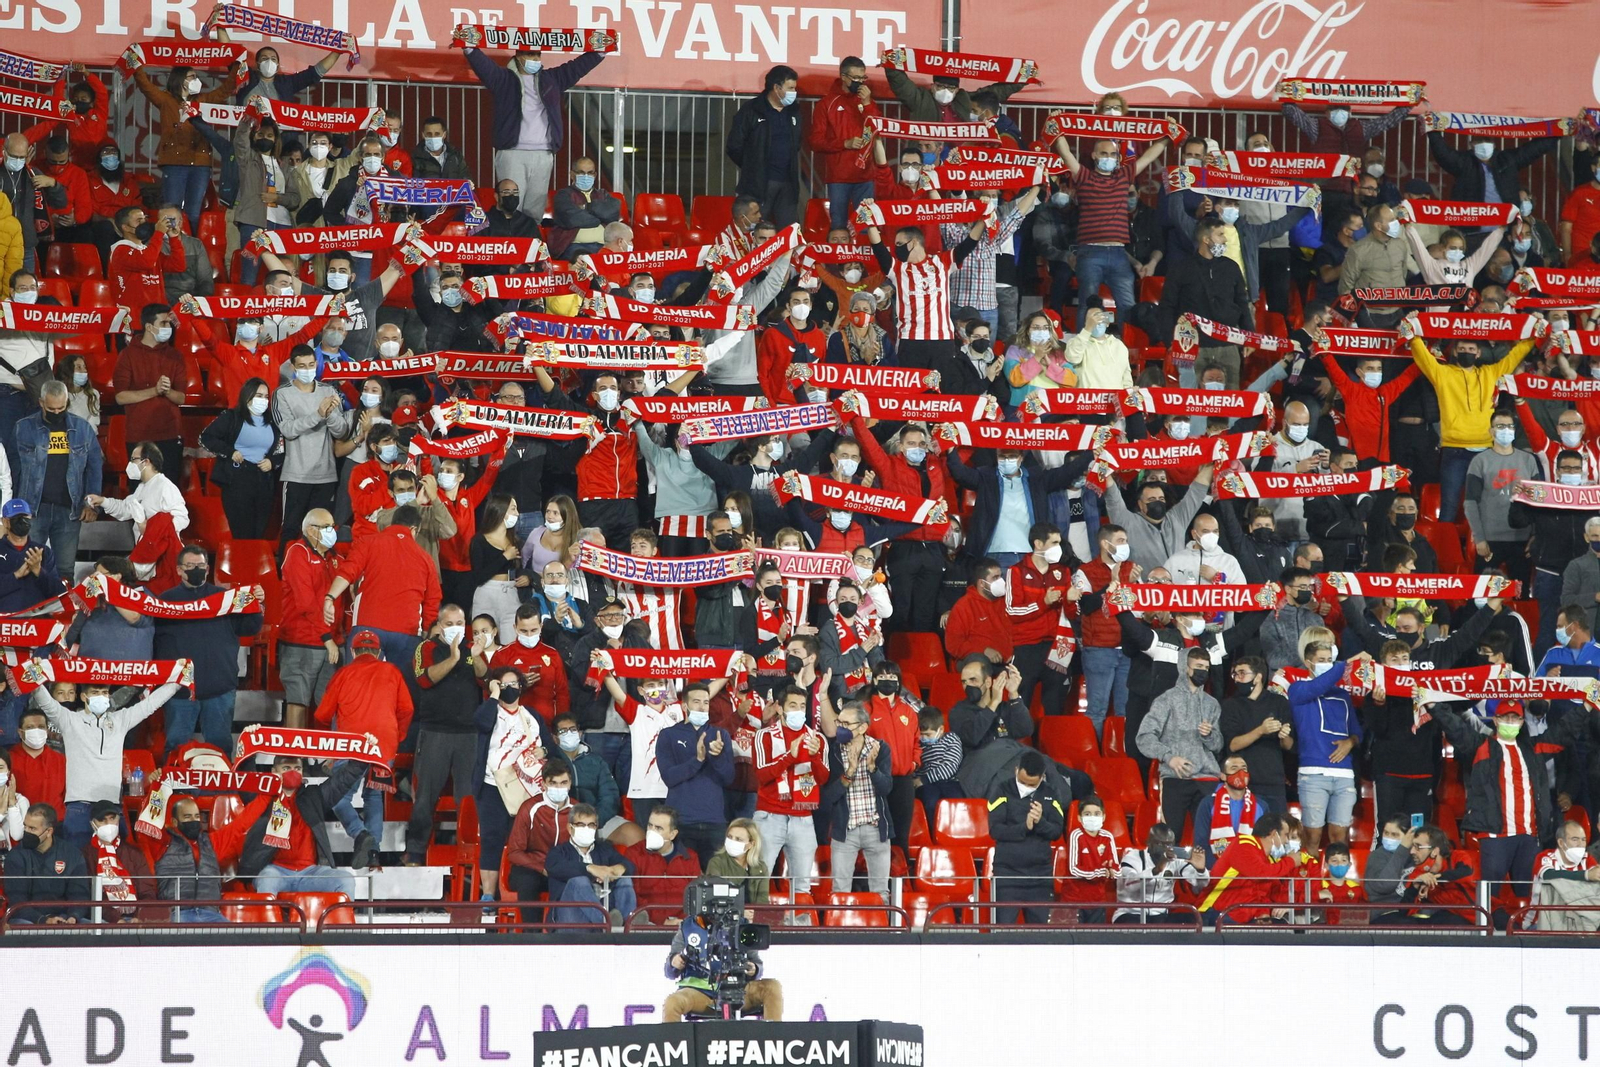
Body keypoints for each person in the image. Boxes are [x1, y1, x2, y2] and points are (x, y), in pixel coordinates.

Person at [1425, 697, 1588, 902]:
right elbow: (1456, 727)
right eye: (1506, 717)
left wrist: (1588, 706)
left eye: (1515, 718)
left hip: (1530, 835)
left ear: (1522, 722)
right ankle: (1486, 932)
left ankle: (1525, 931)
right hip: (1495, 835)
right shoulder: (1481, 746)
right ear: (1495, 719)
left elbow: (1563, 731)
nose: (1510, 722)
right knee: (1489, 895)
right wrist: (1432, 705)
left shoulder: (1533, 749)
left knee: (1529, 894)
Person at [458, 34, 606, 221]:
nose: (535, 59)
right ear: (518, 56)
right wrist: (468, 47)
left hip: (543, 155)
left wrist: (600, 51)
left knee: (535, 209)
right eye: (530, 55)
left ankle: (531, 246)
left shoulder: (552, 79)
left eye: (537, 55)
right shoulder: (503, 79)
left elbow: (576, 67)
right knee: (510, 205)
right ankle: (511, 246)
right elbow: (483, 66)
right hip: (512, 153)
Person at [33, 676, 180, 847]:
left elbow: (150, 705)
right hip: (80, 805)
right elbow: (46, 702)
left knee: (117, 864)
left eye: (104, 693)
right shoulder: (69, 720)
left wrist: (177, 683)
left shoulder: (120, 720)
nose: (101, 697)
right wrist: (33, 675)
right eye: (95, 693)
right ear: (83, 697)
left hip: (112, 807)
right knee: (79, 865)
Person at [154, 545, 264, 757]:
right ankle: (174, 790)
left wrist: (258, 604)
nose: (196, 569)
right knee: (175, 748)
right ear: (178, 570)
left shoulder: (225, 598)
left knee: (220, 748)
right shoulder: (165, 602)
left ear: (207, 568)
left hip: (219, 688)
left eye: (200, 565)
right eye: (190, 565)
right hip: (179, 691)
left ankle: (221, 791)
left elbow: (249, 627)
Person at [316, 629, 411, 868]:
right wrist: (396, 737)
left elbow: (322, 714)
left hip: (351, 745)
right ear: (379, 651)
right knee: (373, 796)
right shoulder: (392, 671)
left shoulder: (344, 673)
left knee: (338, 797)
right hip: (383, 745)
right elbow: (407, 710)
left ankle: (360, 834)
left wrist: (328, 744)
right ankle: (373, 853)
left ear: (352, 651)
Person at [323, 505, 441, 667]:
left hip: (368, 627)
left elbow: (348, 571)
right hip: (407, 633)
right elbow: (432, 601)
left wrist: (330, 597)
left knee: (361, 685)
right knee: (399, 688)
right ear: (414, 529)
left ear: (393, 523)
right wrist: (427, 632)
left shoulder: (368, 542)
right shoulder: (426, 559)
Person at [228, 756, 361, 898]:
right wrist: (249, 747)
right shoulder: (262, 797)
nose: (293, 772)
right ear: (274, 772)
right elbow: (246, 777)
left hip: (310, 873)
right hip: (275, 871)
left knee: (345, 880)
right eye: (286, 768)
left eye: (297, 768)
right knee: (267, 880)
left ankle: (339, 921)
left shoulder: (314, 796)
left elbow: (342, 782)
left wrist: (363, 757)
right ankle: (268, 921)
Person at [1287, 636, 1367, 857]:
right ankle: (1308, 887)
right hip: (1313, 774)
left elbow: (1357, 731)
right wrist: (1345, 664)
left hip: (1343, 774)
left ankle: (1335, 886)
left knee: (1339, 838)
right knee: (1311, 838)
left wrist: (1350, 742)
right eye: (1321, 659)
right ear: (1308, 662)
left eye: (1330, 660)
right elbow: (1322, 684)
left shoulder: (1342, 695)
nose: (1327, 663)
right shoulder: (1298, 690)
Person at [663, 879, 785, 1021]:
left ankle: (772, 1039)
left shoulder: (741, 925)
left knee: (772, 987)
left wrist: (754, 969)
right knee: (672, 1002)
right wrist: (674, 962)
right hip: (701, 992)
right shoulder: (687, 927)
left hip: (738, 989)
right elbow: (669, 972)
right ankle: (677, 1042)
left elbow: (756, 964)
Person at [274, 346, 354, 551]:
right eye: (302, 366)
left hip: (325, 475)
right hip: (296, 476)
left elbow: (341, 432)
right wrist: (318, 414)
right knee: (291, 529)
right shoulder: (282, 394)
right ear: (293, 367)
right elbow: (288, 429)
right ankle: (286, 578)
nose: (307, 369)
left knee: (320, 532)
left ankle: (317, 577)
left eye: (311, 365)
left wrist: (329, 415)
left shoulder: (328, 391)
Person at [1137, 646, 1225, 834]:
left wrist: (1209, 736)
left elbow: (1218, 745)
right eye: (1198, 666)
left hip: (1207, 778)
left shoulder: (1212, 704)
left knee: (1212, 838)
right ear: (1184, 667)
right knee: (1170, 837)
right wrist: (1169, 757)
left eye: (1206, 668)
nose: (1203, 671)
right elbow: (1144, 737)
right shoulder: (1166, 700)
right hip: (1175, 777)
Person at [753, 685, 828, 895]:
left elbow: (823, 779)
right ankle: (757, 926)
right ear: (779, 708)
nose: (798, 711)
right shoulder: (764, 736)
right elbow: (761, 775)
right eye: (792, 705)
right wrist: (790, 756)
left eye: (802, 706)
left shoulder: (817, 739)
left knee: (802, 886)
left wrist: (814, 757)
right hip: (769, 816)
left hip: (803, 819)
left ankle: (798, 927)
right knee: (759, 881)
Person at [655, 682, 734, 867]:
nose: (702, 707)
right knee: (680, 880)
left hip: (714, 822)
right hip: (681, 822)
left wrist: (716, 757)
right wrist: (697, 760)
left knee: (715, 883)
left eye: (706, 702)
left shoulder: (720, 735)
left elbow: (729, 778)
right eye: (696, 702)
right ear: (684, 706)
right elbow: (669, 777)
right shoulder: (668, 735)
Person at [823, 700, 893, 897]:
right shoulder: (833, 751)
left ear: (862, 728)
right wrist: (849, 773)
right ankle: (841, 927)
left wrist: (873, 768)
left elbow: (886, 788)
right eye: (839, 723)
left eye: (846, 724)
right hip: (846, 830)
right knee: (840, 891)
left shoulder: (880, 749)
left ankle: (881, 927)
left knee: (881, 893)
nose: (841, 728)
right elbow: (828, 797)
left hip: (876, 828)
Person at [988, 749, 1065, 924]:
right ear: (1016, 770)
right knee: (1003, 934)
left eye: (1032, 785)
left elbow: (1056, 831)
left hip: (1040, 876)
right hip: (1007, 876)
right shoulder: (1001, 790)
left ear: (1042, 777)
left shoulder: (1052, 793)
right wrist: (1025, 826)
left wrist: (1040, 822)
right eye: (1022, 782)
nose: (1026, 787)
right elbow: (995, 830)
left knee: (1040, 937)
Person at [199, 379, 282, 539]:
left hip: (264, 480)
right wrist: (230, 452)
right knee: (243, 531)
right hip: (238, 479)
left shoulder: (273, 422)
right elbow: (206, 437)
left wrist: (273, 462)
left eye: (266, 396)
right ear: (247, 396)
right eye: (259, 395)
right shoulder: (232, 417)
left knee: (260, 531)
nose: (263, 400)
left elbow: (282, 451)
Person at [726, 65, 802, 228]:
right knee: (755, 232)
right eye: (790, 88)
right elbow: (734, 146)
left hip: (787, 185)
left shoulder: (794, 111)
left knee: (790, 234)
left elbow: (796, 143)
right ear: (776, 87)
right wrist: (752, 165)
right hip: (759, 185)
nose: (794, 92)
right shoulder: (752, 110)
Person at [808, 58, 879, 229]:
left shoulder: (867, 101)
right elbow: (816, 142)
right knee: (838, 224)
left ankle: (863, 256)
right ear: (843, 77)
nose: (860, 82)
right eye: (855, 78)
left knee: (866, 226)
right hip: (839, 177)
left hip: (865, 176)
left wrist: (868, 104)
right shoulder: (826, 104)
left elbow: (877, 129)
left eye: (863, 78)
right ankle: (837, 256)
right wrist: (844, 143)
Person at [1220, 656, 1292, 815]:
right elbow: (1232, 745)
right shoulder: (1230, 705)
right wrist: (1261, 730)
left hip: (1274, 783)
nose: (1237, 679)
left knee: (1277, 834)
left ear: (1258, 676)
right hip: (1243, 784)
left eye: (1242, 673)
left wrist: (1284, 735)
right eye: (1235, 674)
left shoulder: (1279, 702)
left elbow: (1288, 745)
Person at [544, 802, 636, 924]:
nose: (586, 829)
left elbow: (629, 865)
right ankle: (605, 923)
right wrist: (590, 869)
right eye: (581, 825)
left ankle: (629, 924)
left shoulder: (604, 848)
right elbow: (555, 867)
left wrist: (620, 868)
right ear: (570, 828)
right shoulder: (558, 852)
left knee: (624, 879)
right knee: (579, 881)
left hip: (606, 908)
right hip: (570, 917)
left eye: (591, 825)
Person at [1197, 811, 1295, 925]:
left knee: (1282, 926)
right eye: (1286, 835)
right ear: (1274, 834)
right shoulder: (1243, 844)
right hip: (1214, 913)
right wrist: (1291, 861)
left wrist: (1263, 913)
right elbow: (1260, 874)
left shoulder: (1269, 860)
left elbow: (1262, 894)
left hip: (1241, 916)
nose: (1287, 841)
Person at [5, 803, 88, 924]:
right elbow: (17, 901)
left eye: (32, 828)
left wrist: (73, 916)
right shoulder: (15, 856)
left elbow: (79, 895)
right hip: (28, 919)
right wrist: (43, 920)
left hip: (63, 916)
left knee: (96, 927)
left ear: (49, 831)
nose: (26, 832)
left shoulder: (72, 854)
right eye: (25, 827)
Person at [154, 795, 227, 922]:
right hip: (178, 913)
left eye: (197, 816)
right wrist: (157, 787)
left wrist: (267, 791)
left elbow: (243, 823)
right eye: (187, 817)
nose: (193, 820)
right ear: (175, 821)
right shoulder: (163, 842)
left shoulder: (212, 842)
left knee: (237, 937)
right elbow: (150, 821)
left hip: (210, 913)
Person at [625, 806, 703, 925]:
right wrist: (662, 920)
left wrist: (683, 921)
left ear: (672, 834)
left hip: (684, 923)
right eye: (650, 826)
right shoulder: (634, 854)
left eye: (658, 828)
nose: (651, 831)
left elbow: (695, 896)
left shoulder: (690, 857)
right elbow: (634, 895)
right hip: (647, 922)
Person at [1395, 823, 1480, 926]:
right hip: (1456, 919)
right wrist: (1415, 886)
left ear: (1435, 851)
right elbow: (1404, 912)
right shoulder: (1418, 874)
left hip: (1486, 910)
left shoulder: (1457, 856)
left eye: (1418, 847)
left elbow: (1466, 872)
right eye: (1412, 846)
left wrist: (1434, 878)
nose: (1412, 851)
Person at [1194, 756, 1268, 867]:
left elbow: (1266, 842)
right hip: (1217, 871)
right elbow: (1201, 841)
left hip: (1251, 871)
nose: (1241, 772)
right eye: (1234, 768)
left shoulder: (1261, 805)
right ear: (1223, 776)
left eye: (1244, 768)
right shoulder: (1208, 803)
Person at [549, 157, 620, 259]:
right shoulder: (563, 195)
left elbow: (612, 214)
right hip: (575, 247)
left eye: (590, 173)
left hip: (604, 246)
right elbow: (572, 219)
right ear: (572, 175)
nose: (586, 176)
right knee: (587, 263)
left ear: (595, 175)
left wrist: (586, 207)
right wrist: (598, 218)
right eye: (581, 173)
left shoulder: (603, 194)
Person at [945, 559, 1015, 662]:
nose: (1001, 581)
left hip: (1011, 660)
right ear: (982, 583)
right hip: (978, 662)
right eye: (995, 578)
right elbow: (953, 644)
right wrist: (983, 650)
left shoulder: (1007, 601)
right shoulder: (964, 606)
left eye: (1001, 576)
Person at [10, 708, 62, 821]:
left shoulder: (61, 760)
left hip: (55, 825)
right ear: (20, 732)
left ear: (47, 731)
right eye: (30, 727)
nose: (36, 731)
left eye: (41, 727)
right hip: (18, 824)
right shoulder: (7, 760)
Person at [704, 819, 771, 905]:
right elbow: (716, 898)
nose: (732, 841)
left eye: (738, 839)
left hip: (753, 917)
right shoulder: (716, 863)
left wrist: (754, 914)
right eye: (730, 837)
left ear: (751, 844)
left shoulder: (760, 867)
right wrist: (741, 911)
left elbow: (763, 901)